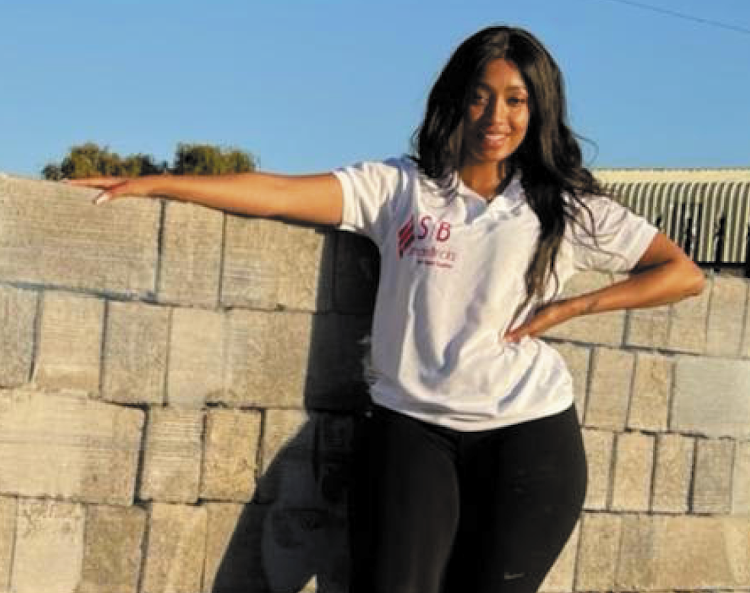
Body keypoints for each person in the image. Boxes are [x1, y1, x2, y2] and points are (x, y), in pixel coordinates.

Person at [70, 25, 704, 593]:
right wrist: (155, 182)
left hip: (530, 437)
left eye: (516, 99)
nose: (497, 115)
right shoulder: (400, 188)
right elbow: (278, 194)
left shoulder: (562, 205)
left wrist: (573, 307)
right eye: (482, 94)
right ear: (456, 98)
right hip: (412, 430)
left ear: (538, 108)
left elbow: (681, 274)